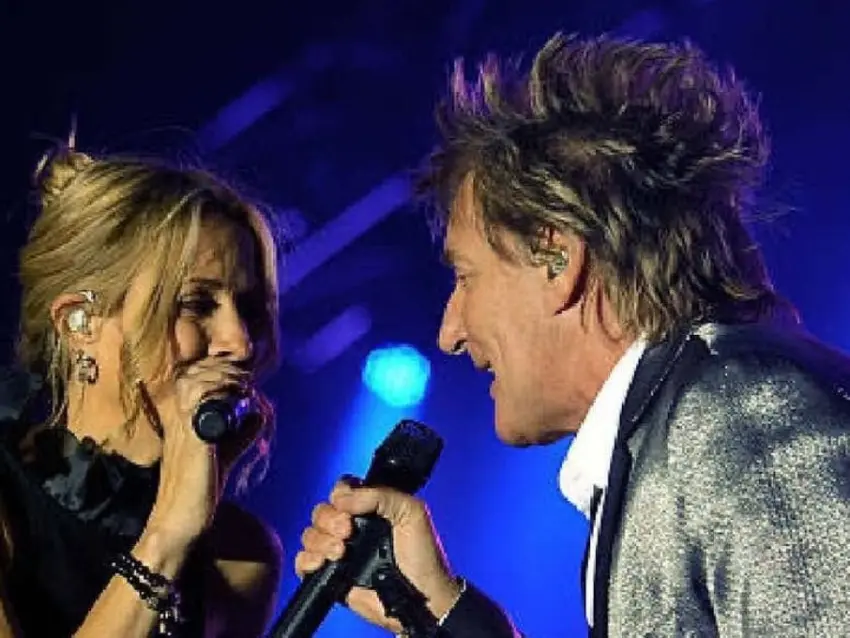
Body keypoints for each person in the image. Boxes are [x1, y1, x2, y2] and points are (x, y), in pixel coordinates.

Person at [294, 32, 850, 637]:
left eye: (465, 276)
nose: (450, 333)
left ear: (557, 260)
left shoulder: (741, 416)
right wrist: (437, 612)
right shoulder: (677, 434)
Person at [0, 141, 285, 637]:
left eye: (249, 309)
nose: (240, 343)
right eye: (197, 304)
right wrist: (166, 537)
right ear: (80, 322)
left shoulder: (239, 556)